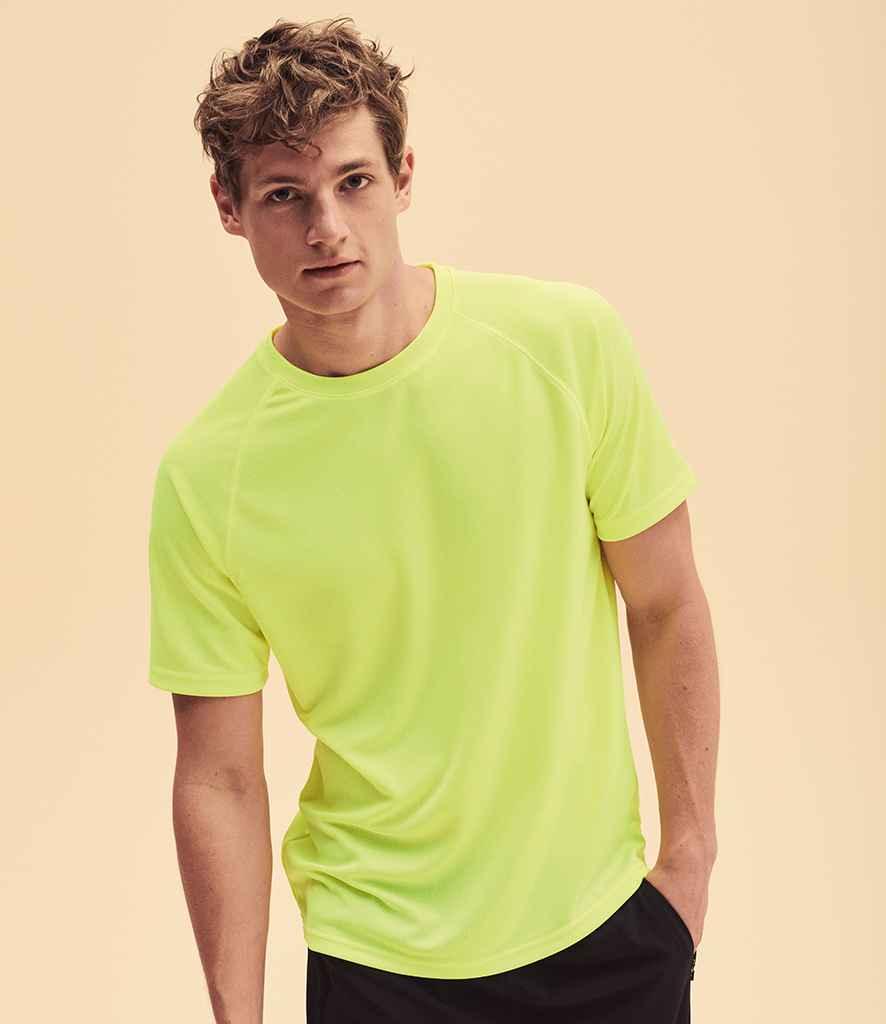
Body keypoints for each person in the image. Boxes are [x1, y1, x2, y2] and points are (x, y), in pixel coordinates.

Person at [147, 16, 720, 1024]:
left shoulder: (565, 345)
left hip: (603, 932)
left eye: (353, 181)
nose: (327, 227)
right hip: (376, 960)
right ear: (229, 207)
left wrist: (689, 861)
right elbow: (221, 778)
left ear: (403, 175)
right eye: (284, 194)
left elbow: (666, 603)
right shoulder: (208, 476)